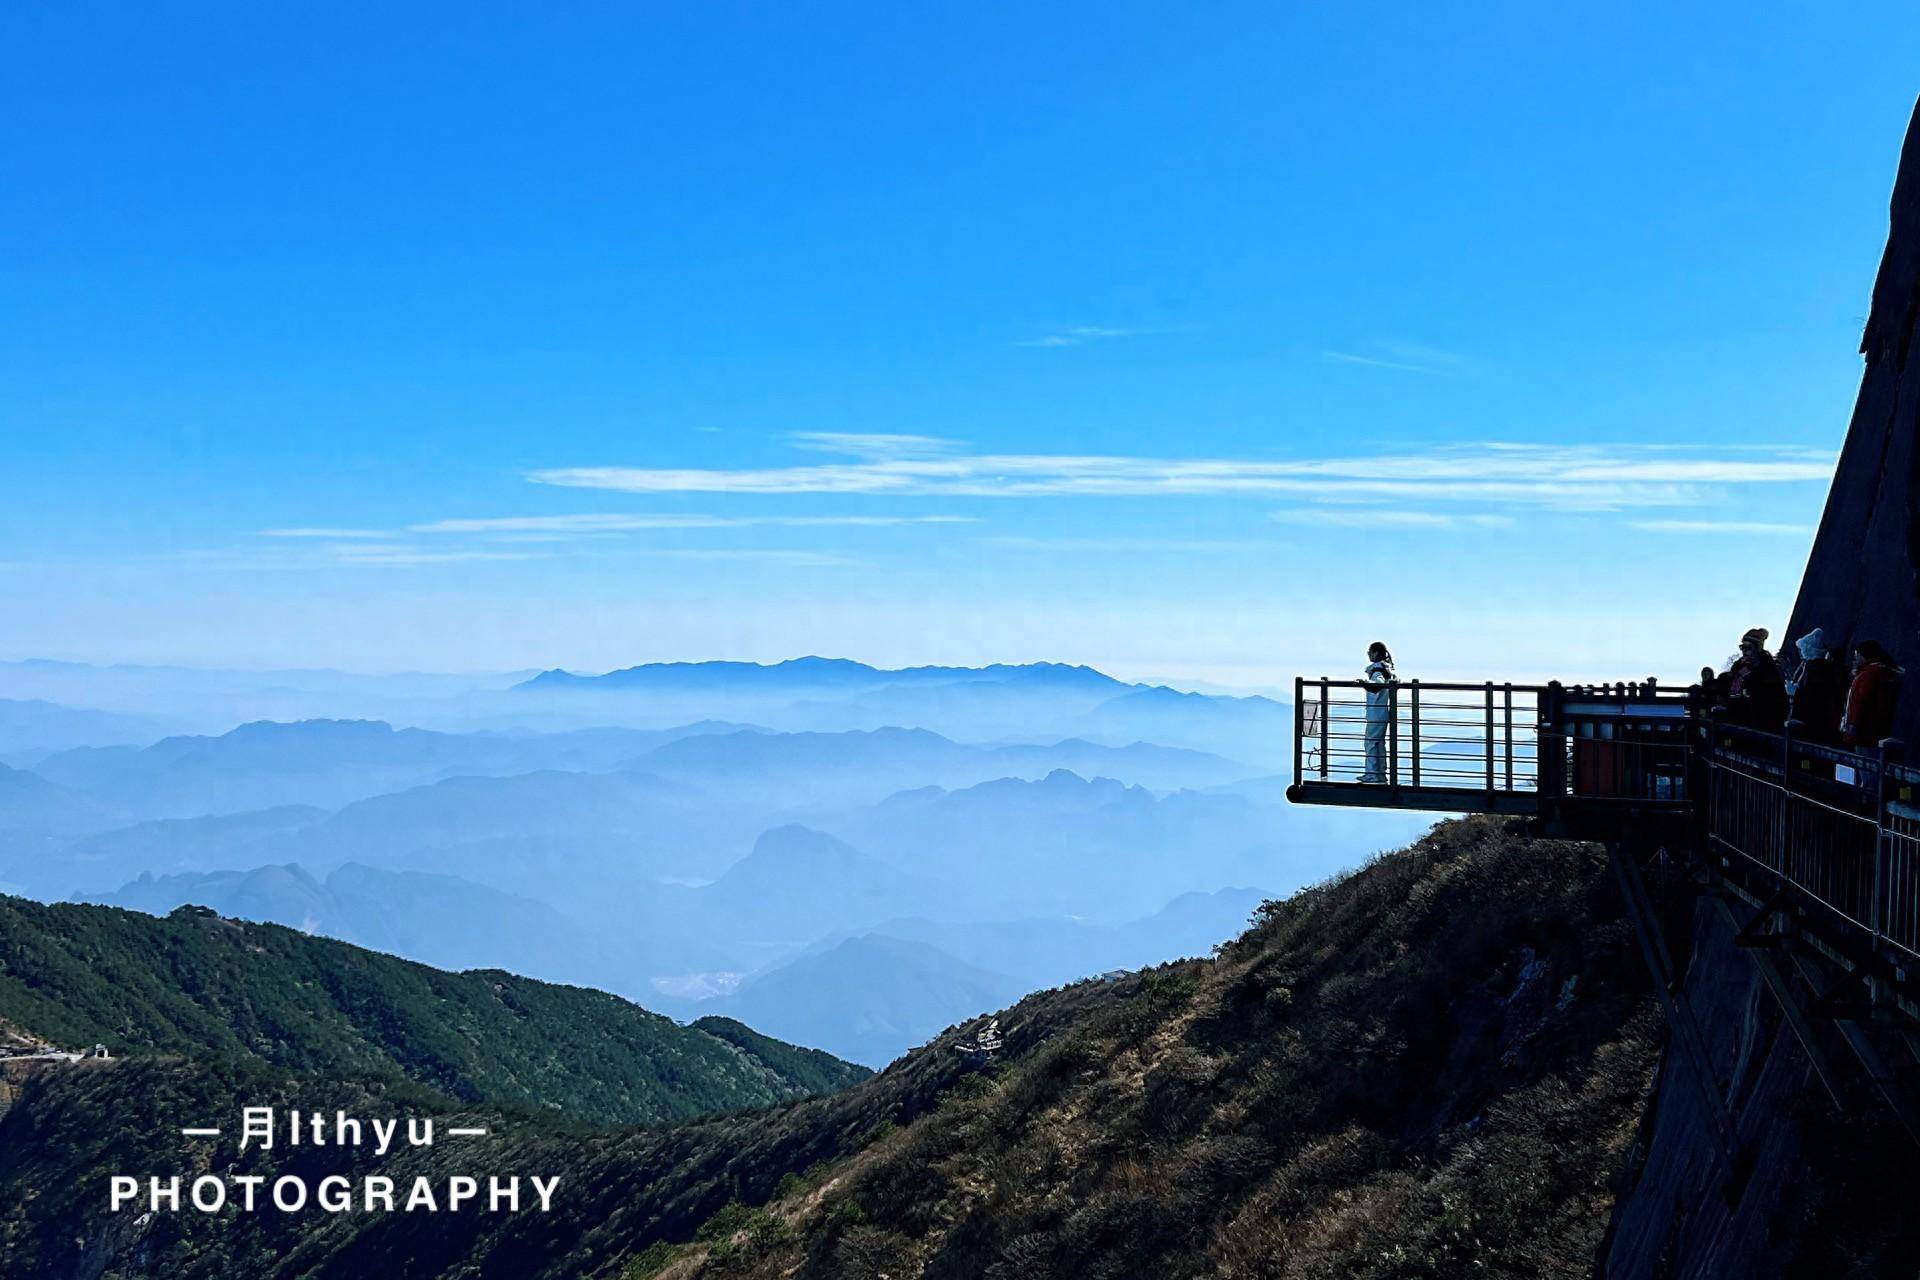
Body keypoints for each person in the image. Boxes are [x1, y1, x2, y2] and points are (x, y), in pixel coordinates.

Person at [1786, 628, 1847, 744]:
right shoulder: (1818, 668)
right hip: (1814, 722)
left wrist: (1796, 692)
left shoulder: (1814, 669)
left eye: (1801, 650)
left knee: (1804, 757)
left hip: (1808, 722)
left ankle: (1806, 763)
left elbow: (1811, 695)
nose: (1799, 653)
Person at [1842, 640, 1903, 750]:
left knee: (1862, 761)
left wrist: (1853, 724)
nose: (1854, 659)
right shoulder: (1875, 672)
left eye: (1857, 655)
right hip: (1871, 731)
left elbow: (1861, 701)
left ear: (1865, 655)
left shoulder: (1868, 674)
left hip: (1863, 732)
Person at [1727, 627, 1787, 728]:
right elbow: (1732, 692)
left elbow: (1778, 702)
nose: (1744, 651)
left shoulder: (1769, 670)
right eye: (1742, 647)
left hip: (1761, 725)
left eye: (1748, 648)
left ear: (1757, 648)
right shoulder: (1739, 668)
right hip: (1738, 722)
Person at [1358, 642, 1395, 783]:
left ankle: (1372, 774)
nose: (1368, 654)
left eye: (1370, 652)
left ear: (1375, 653)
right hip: (1383, 711)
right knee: (1379, 743)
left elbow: (1376, 686)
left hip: (1376, 711)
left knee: (1371, 743)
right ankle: (1380, 773)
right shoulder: (1387, 669)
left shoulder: (1377, 671)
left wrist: (1363, 683)